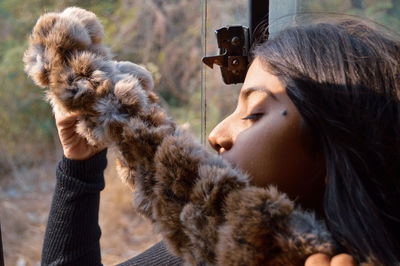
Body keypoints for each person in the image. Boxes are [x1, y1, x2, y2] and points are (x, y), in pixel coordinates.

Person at [36, 13, 400, 266]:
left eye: (254, 113)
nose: (216, 135)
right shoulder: (218, 240)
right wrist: (79, 161)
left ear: (335, 148)